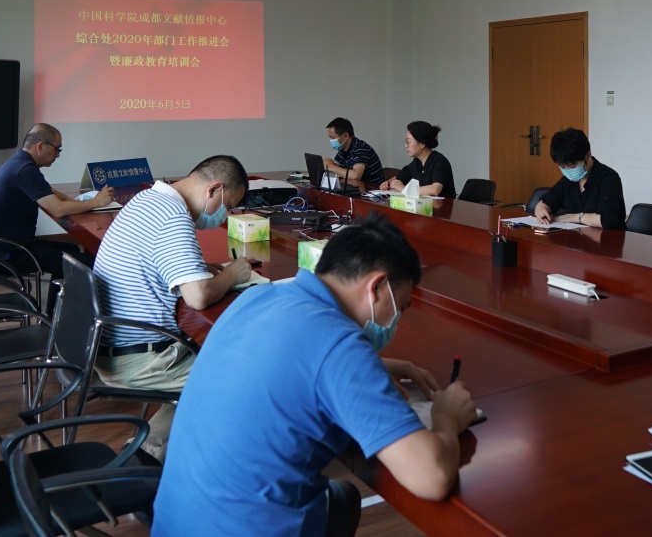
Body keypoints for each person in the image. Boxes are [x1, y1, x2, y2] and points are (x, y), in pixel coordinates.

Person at [152, 215, 477, 537]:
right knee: (340, 498)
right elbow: (431, 478)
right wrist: (446, 418)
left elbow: (295, 359)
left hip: (174, 522)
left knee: (340, 499)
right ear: (376, 287)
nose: (395, 322)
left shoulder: (257, 297)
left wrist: (374, 366)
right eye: (400, 307)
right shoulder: (340, 345)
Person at [92, 154, 256, 460]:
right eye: (228, 206)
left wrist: (196, 268)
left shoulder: (148, 199)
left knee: (215, 361)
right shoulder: (173, 217)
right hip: (138, 360)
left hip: (109, 344)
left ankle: (145, 453)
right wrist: (232, 274)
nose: (224, 215)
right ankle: (170, 463)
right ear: (214, 190)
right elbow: (198, 297)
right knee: (247, 377)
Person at [0, 123, 109, 276]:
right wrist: (96, 202)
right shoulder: (25, 170)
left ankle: (60, 291)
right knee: (88, 265)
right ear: (40, 146)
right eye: (57, 149)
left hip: (5, 246)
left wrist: (78, 202)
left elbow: (50, 191)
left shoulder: (19, 163)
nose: (58, 155)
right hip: (8, 254)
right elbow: (58, 210)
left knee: (73, 250)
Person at [533, 127, 626, 229]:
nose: (568, 171)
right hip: (576, 236)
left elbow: (610, 220)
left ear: (588, 157)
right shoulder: (568, 180)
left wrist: (574, 217)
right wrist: (541, 211)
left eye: (573, 167)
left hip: (609, 237)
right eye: (563, 167)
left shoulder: (609, 178)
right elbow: (544, 203)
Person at [381, 121, 455, 198]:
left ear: (422, 144)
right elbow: (399, 177)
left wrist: (405, 189)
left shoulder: (439, 161)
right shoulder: (417, 162)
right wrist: (387, 183)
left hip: (444, 205)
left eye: (409, 141)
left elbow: (435, 189)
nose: (406, 145)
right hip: (425, 204)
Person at [322, 116, 385, 188]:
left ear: (346, 135)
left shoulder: (361, 148)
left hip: (374, 191)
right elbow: (338, 169)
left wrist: (330, 167)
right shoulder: (343, 150)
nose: (331, 141)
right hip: (356, 189)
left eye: (333, 138)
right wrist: (329, 165)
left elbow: (356, 175)